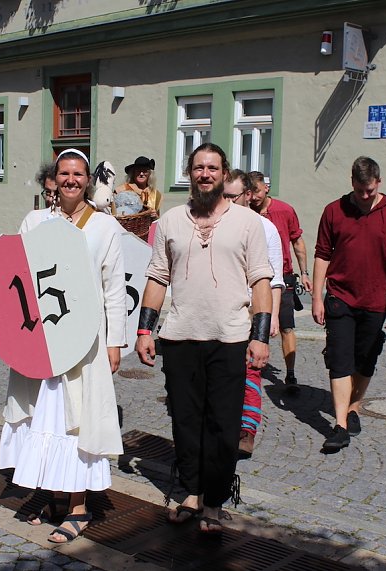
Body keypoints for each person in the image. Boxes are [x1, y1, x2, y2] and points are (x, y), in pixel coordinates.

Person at [135, 143, 272, 534]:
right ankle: (192, 492)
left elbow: (261, 280)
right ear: (190, 173)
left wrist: (260, 336)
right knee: (185, 420)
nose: (205, 174)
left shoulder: (248, 222)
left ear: (224, 173)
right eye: (198, 168)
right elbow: (157, 277)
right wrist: (144, 330)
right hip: (180, 336)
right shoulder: (171, 222)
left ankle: (214, 500)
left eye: (212, 168)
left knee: (223, 425)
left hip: (230, 337)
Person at [0, 149, 126, 543]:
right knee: (43, 416)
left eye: (78, 174)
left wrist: (115, 342)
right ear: (54, 178)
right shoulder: (35, 221)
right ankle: (49, 494)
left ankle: (79, 507)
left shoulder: (104, 226)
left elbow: (114, 288)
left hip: (84, 340)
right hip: (41, 336)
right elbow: (17, 276)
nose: (71, 180)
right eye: (64, 173)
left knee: (76, 419)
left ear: (88, 180)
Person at [312, 156, 386, 450]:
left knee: (365, 359)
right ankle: (340, 425)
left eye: (370, 190)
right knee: (340, 359)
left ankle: (354, 407)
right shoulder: (334, 211)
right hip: (340, 297)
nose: (365, 196)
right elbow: (322, 255)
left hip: (375, 300)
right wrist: (317, 296)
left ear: (378, 182)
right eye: (359, 190)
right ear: (352, 182)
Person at [224, 169, 284, 457]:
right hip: (223, 312)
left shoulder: (266, 229)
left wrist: (271, 316)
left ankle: (246, 429)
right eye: (223, 196)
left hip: (252, 311)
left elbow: (275, 278)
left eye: (232, 196)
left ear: (248, 195)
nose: (227, 202)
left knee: (251, 371)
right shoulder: (218, 225)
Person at [248, 171, 312, 390]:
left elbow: (297, 242)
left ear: (266, 188)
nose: (254, 197)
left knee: (286, 326)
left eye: (257, 191)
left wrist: (304, 273)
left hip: (282, 276)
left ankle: (290, 374)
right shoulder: (245, 212)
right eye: (250, 192)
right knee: (250, 325)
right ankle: (248, 370)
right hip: (252, 275)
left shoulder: (284, 210)